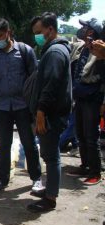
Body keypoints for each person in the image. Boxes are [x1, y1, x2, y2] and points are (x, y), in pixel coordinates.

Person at [0, 18, 43, 192]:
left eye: (0, 35)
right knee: (4, 145)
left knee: (28, 142)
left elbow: (35, 81)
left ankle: (36, 178)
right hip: (2, 107)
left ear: (8, 32)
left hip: (23, 106)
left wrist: (37, 109)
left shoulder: (25, 51)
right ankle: (2, 180)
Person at [28, 12, 72, 212]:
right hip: (52, 112)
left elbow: (51, 85)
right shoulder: (54, 50)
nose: (37, 36)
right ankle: (49, 189)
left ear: (50, 29)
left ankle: (50, 198)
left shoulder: (55, 52)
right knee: (49, 153)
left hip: (50, 113)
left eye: (39, 32)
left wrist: (40, 112)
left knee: (51, 156)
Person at [66, 18, 104, 185]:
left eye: (85, 27)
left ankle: (95, 172)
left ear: (91, 31)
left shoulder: (100, 50)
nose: (82, 29)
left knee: (91, 136)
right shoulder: (83, 48)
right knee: (80, 134)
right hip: (80, 97)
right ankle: (85, 165)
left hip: (92, 99)